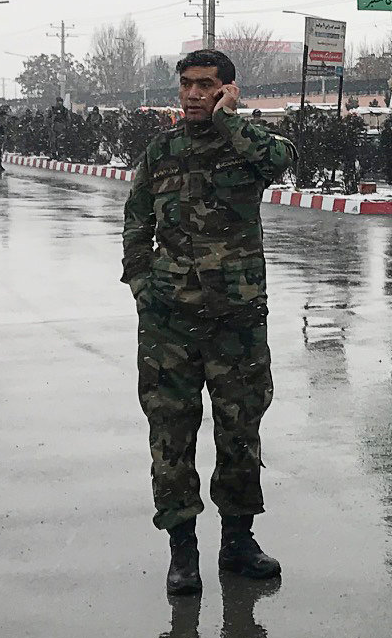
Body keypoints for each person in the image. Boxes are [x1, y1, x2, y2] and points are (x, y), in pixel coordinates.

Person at [123, 50, 297, 596]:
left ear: (227, 89)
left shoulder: (248, 146)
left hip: (237, 322)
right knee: (171, 436)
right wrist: (144, 287)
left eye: (205, 86)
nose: (193, 95)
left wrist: (230, 121)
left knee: (240, 432)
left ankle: (238, 542)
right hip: (169, 325)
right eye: (186, 86)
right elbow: (136, 218)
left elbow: (281, 162)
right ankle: (182, 551)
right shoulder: (162, 151)